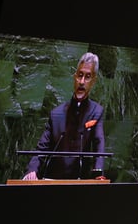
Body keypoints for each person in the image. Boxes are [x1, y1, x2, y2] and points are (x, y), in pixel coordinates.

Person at [23, 52, 106, 180]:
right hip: (53, 180)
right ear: (74, 77)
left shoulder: (96, 111)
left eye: (87, 77)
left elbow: (98, 145)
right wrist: (32, 169)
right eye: (80, 75)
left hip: (79, 181)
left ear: (93, 81)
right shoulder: (56, 113)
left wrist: (98, 173)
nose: (82, 82)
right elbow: (42, 148)